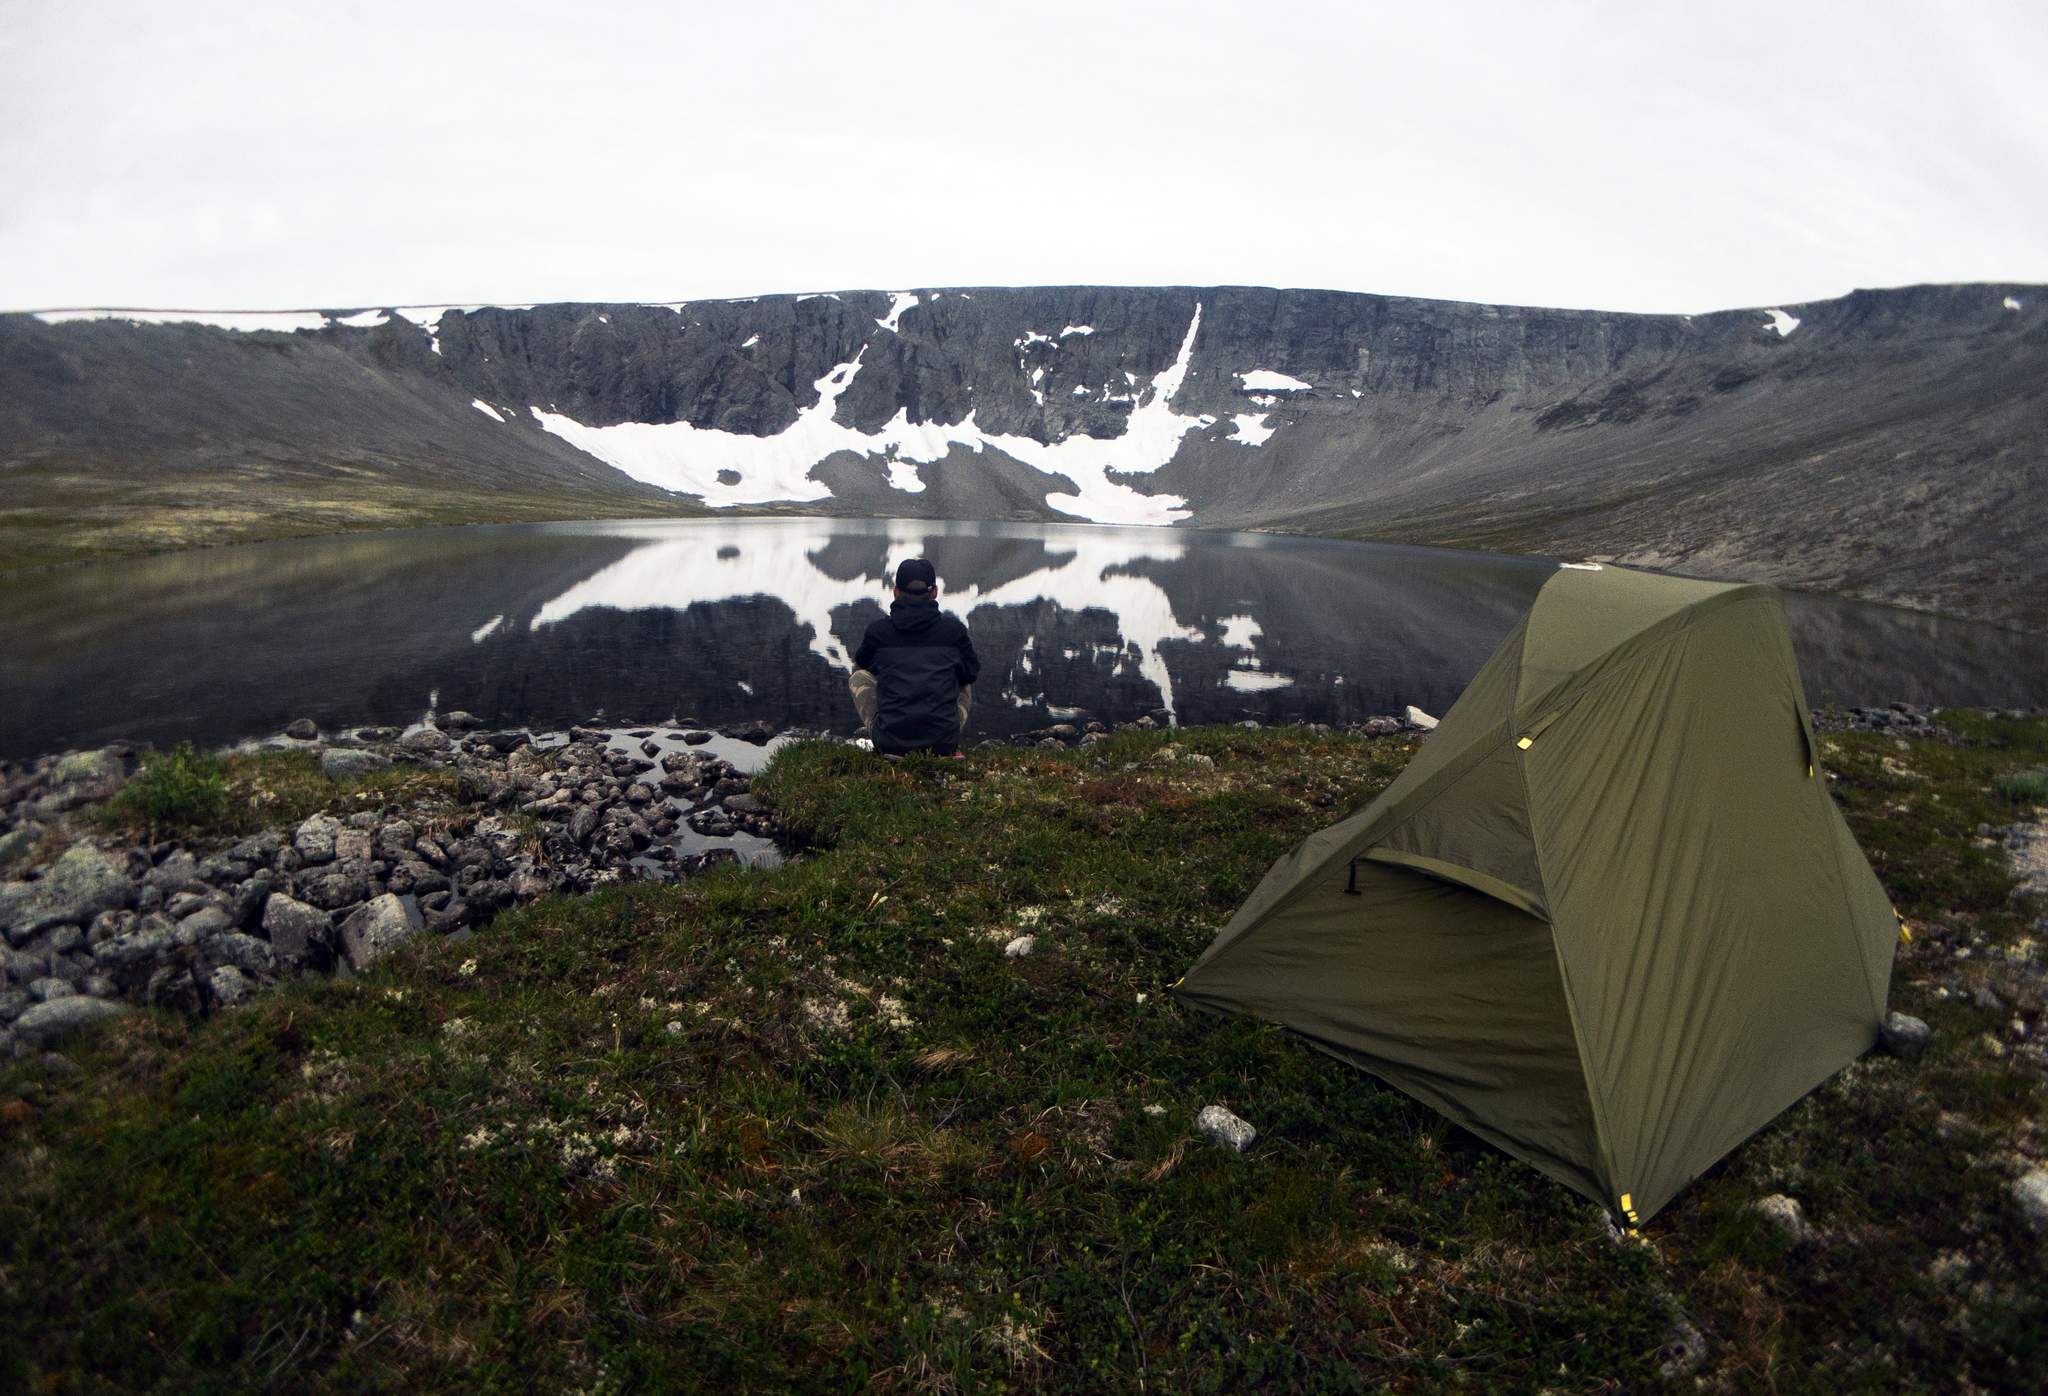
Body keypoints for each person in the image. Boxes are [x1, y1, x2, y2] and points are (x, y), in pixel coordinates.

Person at [849, 558, 979, 758]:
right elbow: (971, 673)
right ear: (934, 592)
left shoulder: (878, 633)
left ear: (895, 592)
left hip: (890, 745)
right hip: (944, 745)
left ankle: (892, 743)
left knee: (858, 677)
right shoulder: (954, 632)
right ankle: (941, 747)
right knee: (964, 683)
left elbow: (865, 663)